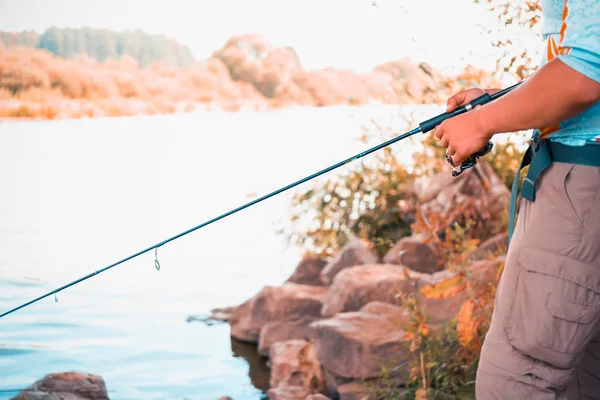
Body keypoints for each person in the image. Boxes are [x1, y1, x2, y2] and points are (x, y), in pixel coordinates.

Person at [433, 0, 600, 398]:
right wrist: (497, 100)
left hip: (579, 186)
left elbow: (585, 76)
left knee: (512, 384)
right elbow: (575, 66)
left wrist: (480, 121)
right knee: (583, 379)